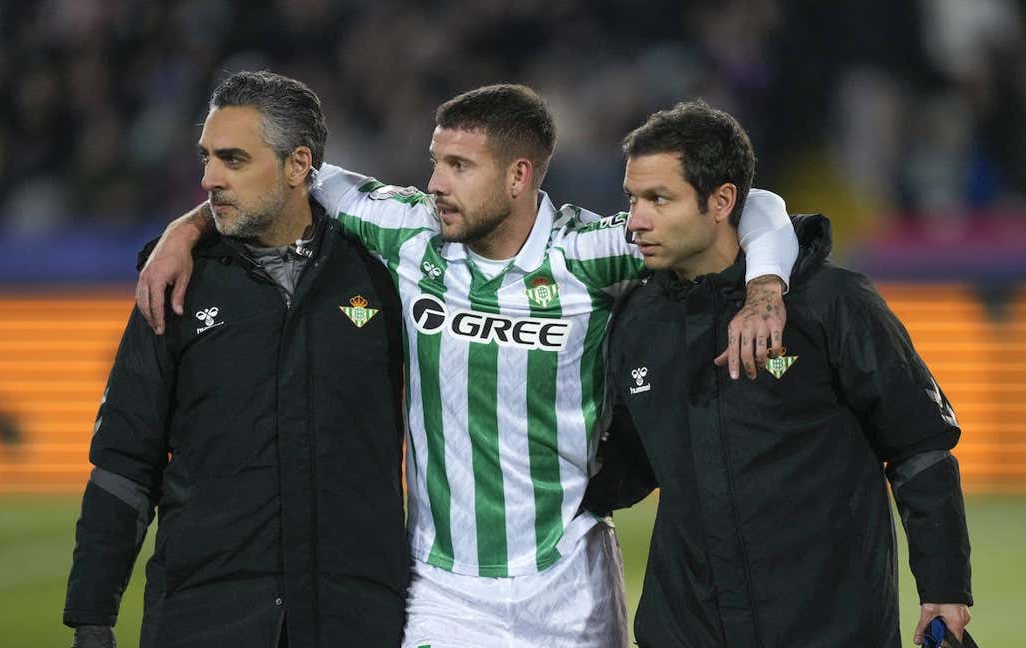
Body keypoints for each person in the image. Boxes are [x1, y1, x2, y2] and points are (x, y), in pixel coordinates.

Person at [137, 82, 799, 648]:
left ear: (517, 177)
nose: (434, 184)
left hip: (568, 584)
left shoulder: (589, 250)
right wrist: (184, 231)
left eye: (458, 166)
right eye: (435, 162)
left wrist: (766, 288)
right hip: (443, 588)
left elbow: (757, 205)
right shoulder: (408, 230)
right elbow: (277, 174)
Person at [587, 100, 974, 647]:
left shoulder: (833, 303)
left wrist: (944, 588)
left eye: (659, 199)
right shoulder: (638, 321)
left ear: (721, 201)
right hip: (685, 631)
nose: (635, 221)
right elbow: (631, 462)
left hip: (830, 630)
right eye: (632, 198)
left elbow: (920, 448)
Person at [63, 71, 408, 648]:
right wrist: (92, 619)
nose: (208, 179)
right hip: (205, 618)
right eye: (206, 158)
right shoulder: (177, 284)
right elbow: (125, 461)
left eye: (233, 160)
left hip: (352, 617)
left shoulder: (383, 273)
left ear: (299, 166)